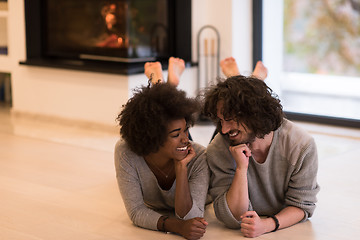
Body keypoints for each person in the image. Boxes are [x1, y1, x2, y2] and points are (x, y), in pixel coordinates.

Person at [203, 57, 320, 238]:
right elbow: (232, 217)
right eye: (220, 120)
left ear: (253, 115)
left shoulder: (301, 145)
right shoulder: (218, 149)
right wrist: (241, 169)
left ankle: (248, 79)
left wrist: (267, 225)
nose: (224, 129)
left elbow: (302, 206)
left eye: (230, 119)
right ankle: (248, 79)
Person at [114, 58, 209, 240]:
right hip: (155, 147)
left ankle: (163, 85)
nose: (185, 139)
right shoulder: (126, 151)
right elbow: (136, 212)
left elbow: (191, 218)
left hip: (189, 159)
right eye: (176, 134)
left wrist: (181, 169)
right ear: (152, 137)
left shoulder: (199, 155)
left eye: (187, 129)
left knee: (222, 138)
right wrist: (177, 226)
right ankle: (164, 85)